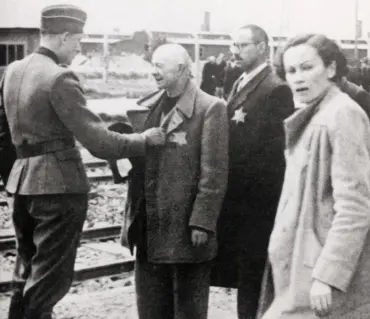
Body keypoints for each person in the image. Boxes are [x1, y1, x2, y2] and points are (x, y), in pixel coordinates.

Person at [0, 5, 166, 319]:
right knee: (49, 279)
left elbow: (2, 132)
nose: (79, 48)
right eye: (78, 41)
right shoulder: (60, 77)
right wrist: (144, 140)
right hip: (58, 189)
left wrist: (15, 173)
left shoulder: (14, 70)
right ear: (64, 36)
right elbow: (99, 142)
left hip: (21, 185)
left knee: (25, 272)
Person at [262, 33, 370, 319]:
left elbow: (355, 205)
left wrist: (328, 275)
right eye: (290, 71)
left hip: (328, 276)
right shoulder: (317, 113)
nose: (298, 78)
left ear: (330, 69)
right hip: (307, 265)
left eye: (307, 67)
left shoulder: (341, 114)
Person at [118, 43, 228, 319]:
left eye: (159, 65)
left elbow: (214, 172)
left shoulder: (210, 108)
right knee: (151, 307)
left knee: (187, 309)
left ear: (181, 68)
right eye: (152, 65)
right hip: (149, 223)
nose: (152, 72)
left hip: (184, 227)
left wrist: (202, 221)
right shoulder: (149, 106)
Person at [211, 24, 294, 319]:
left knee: (255, 272)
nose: (236, 51)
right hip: (241, 198)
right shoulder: (241, 81)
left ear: (262, 47)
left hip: (257, 202)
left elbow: (273, 157)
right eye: (235, 45)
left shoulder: (276, 88)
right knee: (245, 271)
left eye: (243, 45)